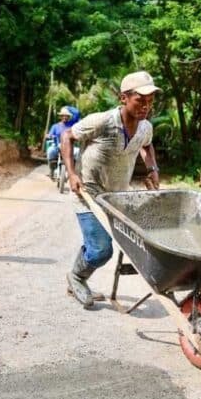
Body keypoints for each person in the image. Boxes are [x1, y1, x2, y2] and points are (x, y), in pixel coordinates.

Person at [62, 71, 161, 309]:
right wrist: (72, 174)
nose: (146, 105)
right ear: (123, 98)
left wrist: (152, 168)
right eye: (140, 99)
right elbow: (67, 135)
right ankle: (76, 277)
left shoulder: (145, 127)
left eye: (150, 100)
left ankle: (82, 269)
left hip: (116, 198)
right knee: (100, 251)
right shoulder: (102, 121)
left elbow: (147, 147)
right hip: (88, 194)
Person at [45, 105, 80, 178]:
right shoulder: (55, 126)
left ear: (69, 117)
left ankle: (74, 172)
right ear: (60, 117)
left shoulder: (72, 124)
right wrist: (48, 136)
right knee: (50, 151)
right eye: (63, 116)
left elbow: (77, 113)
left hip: (70, 148)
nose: (64, 117)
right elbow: (50, 134)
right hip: (57, 146)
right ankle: (51, 170)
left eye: (66, 116)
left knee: (78, 153)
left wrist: (67, 107)